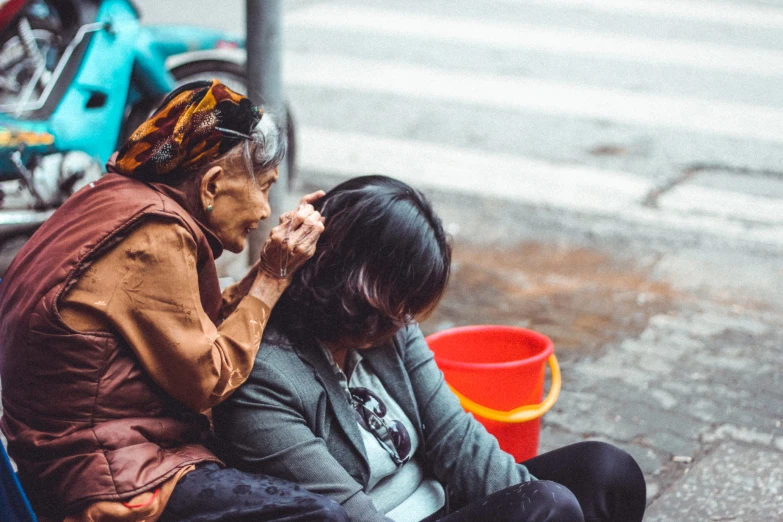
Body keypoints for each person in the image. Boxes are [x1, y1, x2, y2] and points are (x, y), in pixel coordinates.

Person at [0, 80, 347, 522]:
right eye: (264, 187)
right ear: (212, 185)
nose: (264, 210)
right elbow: (209, 379)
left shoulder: (115, 197)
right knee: (321, 515)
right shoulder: (154, 236)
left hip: (75, 450)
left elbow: (189, 327)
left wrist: (265, 273)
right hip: (108, 475)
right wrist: (274, 277)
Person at [213, 175, 648, 522]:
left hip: (451, 505)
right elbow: (345, 511)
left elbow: (455, 439)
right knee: (547, 506)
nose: (403, 322)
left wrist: (523, 500)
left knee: (607, 472)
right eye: (392, 306)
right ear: (348, 288)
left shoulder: (388, 324)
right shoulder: (265, 377)